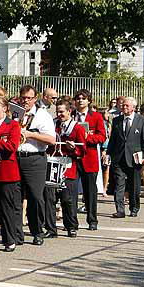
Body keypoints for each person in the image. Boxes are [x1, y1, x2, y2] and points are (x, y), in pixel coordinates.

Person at [17, 86, 57, 245]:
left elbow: (51, 139)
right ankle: (16, 233)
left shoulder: (42, 115)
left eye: (29, 98)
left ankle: (37, 231)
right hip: (16, 157)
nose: (25, 100)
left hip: (35, 158)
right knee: (15, 197)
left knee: (35, 197)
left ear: (35, 99)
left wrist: (31, 134)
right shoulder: (16, 114)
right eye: (23, 97)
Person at [0, 96, 23, 252]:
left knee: (6, 208)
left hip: (7, 172)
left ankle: (10, 239)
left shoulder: (13, 125)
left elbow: (11, 147)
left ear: (5, 108)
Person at [106, 97, 144, 217]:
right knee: (119, 184)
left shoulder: (141, 120)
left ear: (133, 107)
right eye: (123, 105)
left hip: (134, 158)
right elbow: (113, 140)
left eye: (127, 105)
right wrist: (108, 154)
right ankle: (120, 210)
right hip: (119, 157)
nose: (124, 107)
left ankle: (134, 207)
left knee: (134, 185)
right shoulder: (117, 120)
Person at [47, 98, 86, 237]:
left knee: (67, 198)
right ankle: (51, 229)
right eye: (57, 111)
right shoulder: (52, 125)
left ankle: (71, 226)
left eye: (62, 111)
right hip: (52, 164)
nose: (59, 114)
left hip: (68, 166)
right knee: (50, 198)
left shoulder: (77, 128)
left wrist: (73, 149)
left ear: (69, 111)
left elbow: (82, 151)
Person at [73, 89, 107, 230]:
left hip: (89, 158)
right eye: (78, 98)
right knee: (71, 191)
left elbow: (102, 137)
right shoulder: (71, 115)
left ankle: (92, 220)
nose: (80, 100)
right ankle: (71, 222)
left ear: (88, 101)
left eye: (83, 98)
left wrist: (88, 137)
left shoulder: (96, 116)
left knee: (90, 192)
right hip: (73, 157)